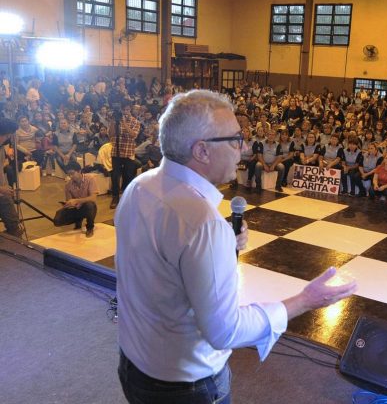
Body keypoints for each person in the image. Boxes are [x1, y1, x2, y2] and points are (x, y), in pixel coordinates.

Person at [115, 90, 356, 404]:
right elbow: (224, 331)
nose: (243, 147)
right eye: (234, 139)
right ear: (201, 150)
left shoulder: (140, 185)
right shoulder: (201, 221)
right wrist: (304, 301)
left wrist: (223, 245)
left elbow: (163, 268)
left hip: (135, 364)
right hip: (184, 387)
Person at [53, 161, 98, 238]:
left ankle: (90, 227)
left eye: (72, 173)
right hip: (76, 208)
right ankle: (78, 220)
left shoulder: (90, 179)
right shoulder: (68, 185)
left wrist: (77, 201)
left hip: (88, 206)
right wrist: (67, 204)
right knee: (57, 220)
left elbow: (93, 198)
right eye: (69, 174)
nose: (70, 176)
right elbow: (69, 200)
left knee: (90, 205)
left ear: (79, 171)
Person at [109, 102, 140, 209]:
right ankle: (115, 197)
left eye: (127, 110)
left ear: (130, 110)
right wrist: (113, 122)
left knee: (128, 175)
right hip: (116, 152)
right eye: (124, 110)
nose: (125, 112)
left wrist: (124, 123)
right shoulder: (116, 121)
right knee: (115, 176)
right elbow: (111, 134)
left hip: (128, 153)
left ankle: (127, 196)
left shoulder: (135, 121)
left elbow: (133, 135)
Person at [0, 118, 23, 237]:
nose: (9, 138)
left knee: (15, 227)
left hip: (2, 193)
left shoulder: (1, 148)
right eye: (9, 135)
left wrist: (5, 186)